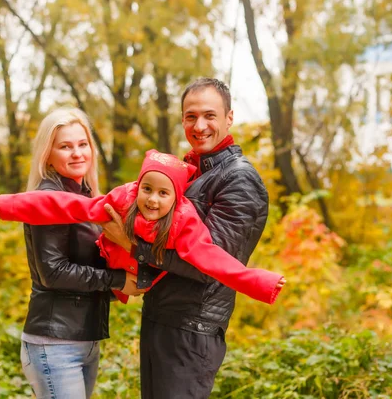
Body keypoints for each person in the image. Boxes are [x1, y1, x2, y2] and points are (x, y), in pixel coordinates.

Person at [101, 78, 274, 398]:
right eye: (191, 116)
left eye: (210, 115)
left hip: (192, 331)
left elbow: (207, 264)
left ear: (229, 118)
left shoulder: (239, 179)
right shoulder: (191, 173)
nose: (200, 125)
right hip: (163, 320)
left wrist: (129, 244)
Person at [0, 149, 286, 305]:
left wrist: (260, 282)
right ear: (138, 186)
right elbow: (68, 206)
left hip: (142, 277)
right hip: (111, 265)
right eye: (147, 189)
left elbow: (214, 260)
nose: (152, 200)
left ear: (176, 198)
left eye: (163, 193)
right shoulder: (124, 199)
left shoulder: (183, 221)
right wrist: (9, 205)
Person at [16, 108, 140, 399]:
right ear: (48, 154)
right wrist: (118, 280)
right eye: (65, 146)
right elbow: (53, 273)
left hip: (84, 339)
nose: (77, 153)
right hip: (54, 343)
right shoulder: (49, 199)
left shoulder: (84, 196)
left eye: (82, 144)